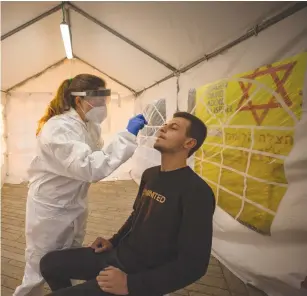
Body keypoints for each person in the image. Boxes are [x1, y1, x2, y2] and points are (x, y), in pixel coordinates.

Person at [40, 111, 216, 296]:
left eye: (173, 128)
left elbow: (194, 266)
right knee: (50, 264)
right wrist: (113, 241)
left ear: (189, 143)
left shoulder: (197, 191)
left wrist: (131, 285)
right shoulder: (151, 175)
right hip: (117, 255)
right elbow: (136, 216)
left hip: (137, 274)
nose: (163, 127)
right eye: (165, 124)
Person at [13, 74, 147, 296]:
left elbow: (98, 156)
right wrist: (126, 136)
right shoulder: (58, 128)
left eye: (106, 99)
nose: (104, 105)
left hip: (74, 204)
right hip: (50, 210)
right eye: (100, 99)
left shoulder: (88, 126)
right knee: (38, 268)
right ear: (79, 100)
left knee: (67, 261)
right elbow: (90, 167)